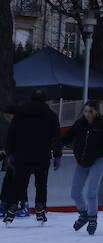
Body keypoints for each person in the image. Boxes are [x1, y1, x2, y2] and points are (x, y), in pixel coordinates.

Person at [2, 90, 61, 224]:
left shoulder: (20, 113)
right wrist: (57, 155)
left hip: (22, 154)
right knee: (41, 183)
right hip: (42, 154)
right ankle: (40, 210)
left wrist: (10, 153)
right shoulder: (50, 115)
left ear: (31, 99)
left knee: (19, 182)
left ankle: (12, 208)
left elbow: (12, 134)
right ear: (45, 100)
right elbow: (56, 137)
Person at [65, 101, 103, 235]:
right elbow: (67, 137)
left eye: (90, 111)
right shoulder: (79, 124)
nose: (87, 114)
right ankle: (84, 213)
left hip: (98, 161)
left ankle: (92, 218)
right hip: (82, 162)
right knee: (75, 193)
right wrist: (53, 145)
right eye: (85, 111)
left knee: (91, 193)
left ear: (97, 112)